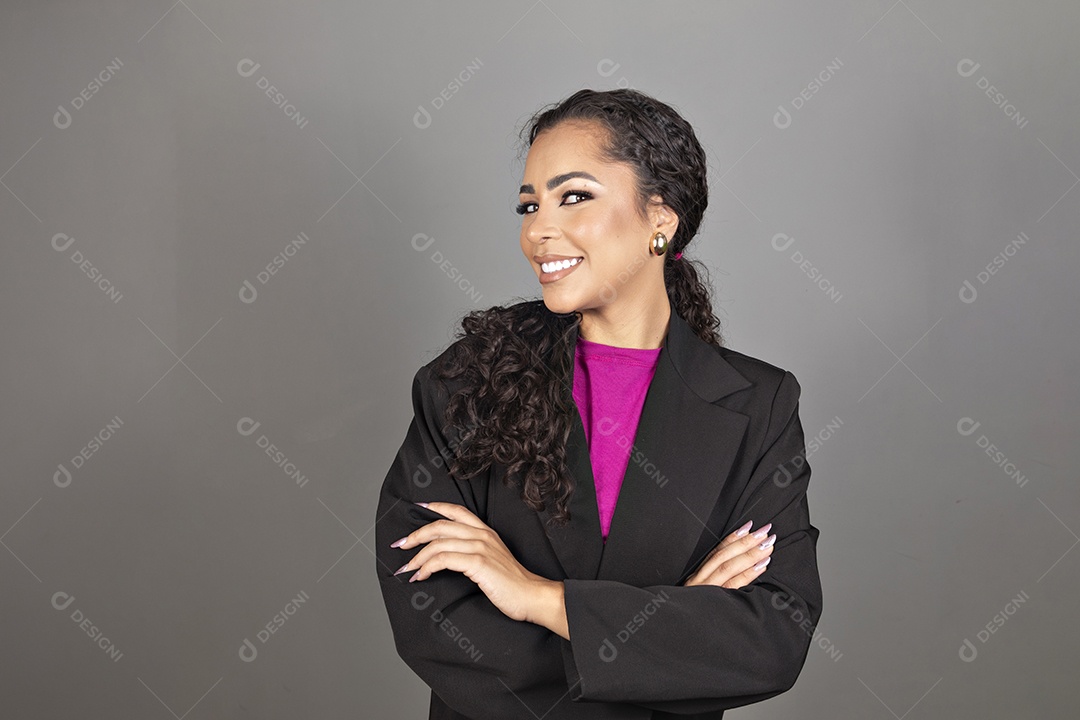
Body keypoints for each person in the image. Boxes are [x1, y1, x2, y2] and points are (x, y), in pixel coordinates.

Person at [375, 88, 823, 720]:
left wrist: (538, 598)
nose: (537, 231)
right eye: (529, 205)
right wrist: (666, 637)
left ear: (660, 218)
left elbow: (772, 639)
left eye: (574, 197)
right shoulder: (465, 383)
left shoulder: (760, 405)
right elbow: (434, 623)